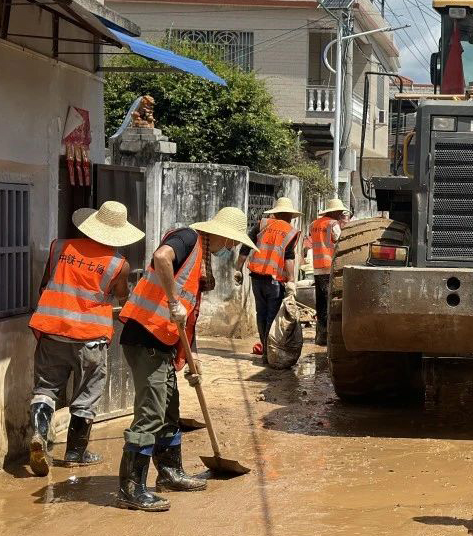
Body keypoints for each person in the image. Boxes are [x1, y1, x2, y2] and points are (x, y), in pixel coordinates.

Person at [116, 207, 255, 511]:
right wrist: (172, 300)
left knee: (169, 409)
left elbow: (187, 318)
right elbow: (161, 257)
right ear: (217, 232)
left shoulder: (200, 261)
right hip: (145, 334)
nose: (230, 247)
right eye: (230, 240)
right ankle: (130, 487)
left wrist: (190, 359)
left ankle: (169, 472)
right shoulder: (188, 238)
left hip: (163, 341)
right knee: (151, 412)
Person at [25, 202, 144, 477]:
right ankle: (76, 452)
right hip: (90, 338)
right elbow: (122, 298)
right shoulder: (118, 265)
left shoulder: (59, 247)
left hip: (52, 331)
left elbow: (45, 286)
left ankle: (40, 435)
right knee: (87, 394)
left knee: (45, 388)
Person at [235, 197, 300, 359]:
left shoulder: (262, 224)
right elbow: (289, 258)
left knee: (261, 313)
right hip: (274, 281)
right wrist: (291, 281)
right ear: (289, 215)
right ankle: (270, 353)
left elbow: (245, 246)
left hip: (256, 278)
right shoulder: (290, 231)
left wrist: (238, 269)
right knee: (272, 315)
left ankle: (265, 349)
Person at [306, 198, 349, 346]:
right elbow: (340, 242)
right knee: (329, 302)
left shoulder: (314, 224)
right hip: (329, 266)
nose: (340, 214)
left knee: (320, 303)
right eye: (339, 212)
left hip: (317, 268)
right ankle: (327, 336)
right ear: (334, 212)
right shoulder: (333, 224)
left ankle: (320, 335)